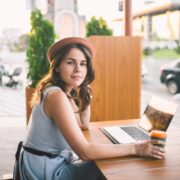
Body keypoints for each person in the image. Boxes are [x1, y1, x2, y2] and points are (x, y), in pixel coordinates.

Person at [13, 37, 165, 180]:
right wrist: (136, 149)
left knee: (112, 160)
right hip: (47, 172)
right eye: (71, 62)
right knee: (114, 165)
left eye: (83, 63)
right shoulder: (56, 96)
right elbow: (84, 152)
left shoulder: (62, 91)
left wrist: (84, 89)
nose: (78, 69)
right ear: (57, 66)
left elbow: (83, 124)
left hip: (43, 163)